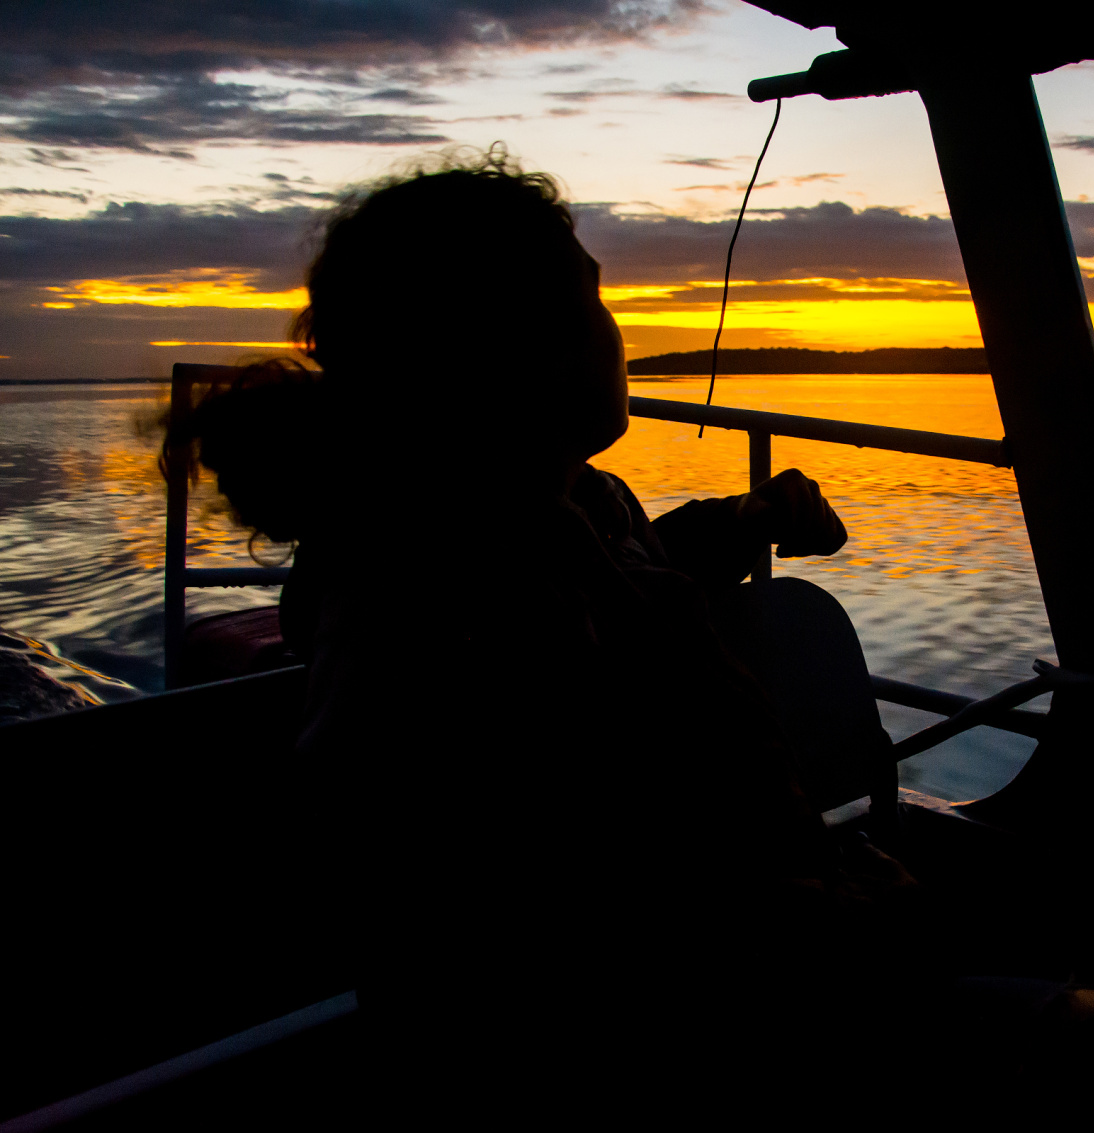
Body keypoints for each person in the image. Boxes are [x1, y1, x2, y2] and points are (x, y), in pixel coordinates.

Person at [177, 149, 921, 1121]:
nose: (618, 329)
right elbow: (526, 923)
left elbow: (638, 573)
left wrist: (750, 519)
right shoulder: (428, 596)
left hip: (772, 959)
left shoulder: (575, 504)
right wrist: (818, 924)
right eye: (591, 298)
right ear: (512, 350)